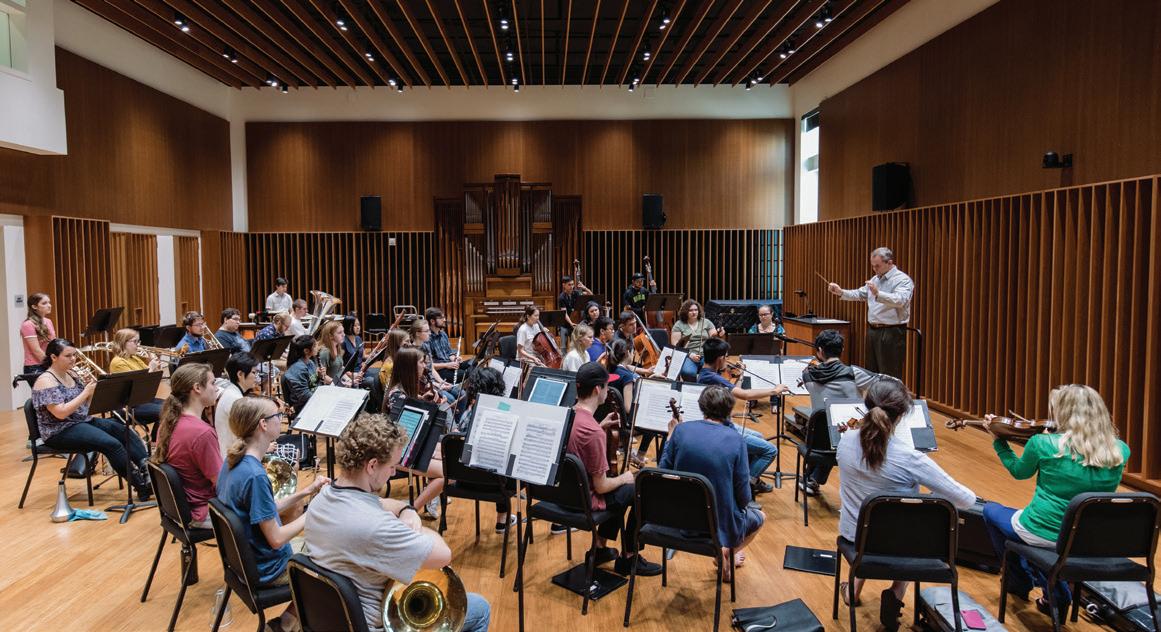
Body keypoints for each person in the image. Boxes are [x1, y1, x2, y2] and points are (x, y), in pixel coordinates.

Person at [304, 414, 492, 632]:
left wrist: (407, 509)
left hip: (332, 621)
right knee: (480, 608)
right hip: (372, 625)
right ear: (372, 465)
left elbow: (380, 503)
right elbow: (443, 556)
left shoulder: (321, 499)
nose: (394, 472)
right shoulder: (375, 525)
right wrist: (416, 524)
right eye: (392, 466)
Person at [981, 384, 1129, 621]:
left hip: (1043, 531)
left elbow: (1019, 472)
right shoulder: (1120, 450)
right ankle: (1050, 591)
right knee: (1038, 536)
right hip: (1085, 539)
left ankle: (1019, 582)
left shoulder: (1043, 443)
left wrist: (999, 441)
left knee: (990, 511)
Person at [835, 380, 975, 629]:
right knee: (911, 525)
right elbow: (966, 499)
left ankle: (853, 589)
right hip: (900, 544)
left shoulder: (845, 441)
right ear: (900, 416)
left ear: (867, 407)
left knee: (875, 520)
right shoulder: (910, 458)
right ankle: (896, 592)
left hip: (853, 537)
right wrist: (931, 496)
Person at [217, 396, 330, 632]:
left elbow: (263, 510)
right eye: (277, 416)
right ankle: (287, 624)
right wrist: (314, 511)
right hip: (268, 569)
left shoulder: (232, 462)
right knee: (335, 558)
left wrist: (307, 491)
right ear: (263, 424)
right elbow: (277, 539)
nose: (281, 419)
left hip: (245, 562)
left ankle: (288, 622)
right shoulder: (255, 475)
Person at [566, 362, 662, 576]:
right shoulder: (592, 432)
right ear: (597, 389)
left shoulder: (568, 415)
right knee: (638, 486)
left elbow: (578, 440)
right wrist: (625, 478)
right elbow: (601, 487)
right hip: (586, 500)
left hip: (565, 495)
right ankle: (629, 557)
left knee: (620, 489)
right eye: (607, 386)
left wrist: (599, 427)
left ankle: (599, 548)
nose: (608, 390)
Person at [659, 386, 765, 576]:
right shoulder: (736, 440)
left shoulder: (681, 431)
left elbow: (661, 472)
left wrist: (670, 436)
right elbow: (744, 498)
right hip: (718, 526)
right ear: (730, 409)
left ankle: (724, 557)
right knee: (760, 517)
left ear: (701, 406)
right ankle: (726, 555)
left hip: (680, 519)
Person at [31, 338, 152, 500]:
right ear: (53, 357)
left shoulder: (71, 374)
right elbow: (60, 413)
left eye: (74, 355)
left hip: (81, 421)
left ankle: (148, 473)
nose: (73, 359)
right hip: (59, 431)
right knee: (111, 444)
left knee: (123, 430)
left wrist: (94, 392)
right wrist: (85, 393)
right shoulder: (45, 381)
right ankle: (141, 486)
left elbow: (85, 405)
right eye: (68, 356)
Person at [798, 329, 901, 497]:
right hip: (855, 438)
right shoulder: (853, 373)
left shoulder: (807, 375)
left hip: (818, 442)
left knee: (827, 424)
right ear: (842, 349)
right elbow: (894, 382)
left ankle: (811, 478)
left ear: (820, 351)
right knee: (845, 425)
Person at [697, 338, 789, 495]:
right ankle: (746, 486)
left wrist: (739, 376)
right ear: (720, 358)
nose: (728, 360)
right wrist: (774, 391)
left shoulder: (706, 373)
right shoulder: (712, 377)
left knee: (759, 436)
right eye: (726, 356)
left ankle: (749, 477)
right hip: (722, 428)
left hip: (723, 423)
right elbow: (744, 395)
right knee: (770, 450)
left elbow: (731, 394)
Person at [827, 247, 914, 379]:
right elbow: (860, 294)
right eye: (873, 266)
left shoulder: (902, 280)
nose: (874, 269)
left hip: (891, 332)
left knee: (889, 373)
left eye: (877, 266)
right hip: (873, 330)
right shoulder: (876, 279)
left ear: (889, 263)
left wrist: (878, 293)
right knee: (871, 372)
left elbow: (901, 300)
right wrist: (841, 292)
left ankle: (889, 393)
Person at [152, 364, 221, 528]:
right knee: (273, 508)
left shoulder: (167, 423)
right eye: (212, 383)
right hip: (204, 511)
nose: (216, 388)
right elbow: (222, 484)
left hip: (179, 510)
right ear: (197, 388)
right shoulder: (202, 433)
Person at [383, 346, 447, 518]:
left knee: (450, 455)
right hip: (399, 452)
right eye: (421, 362)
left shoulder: (405, 389)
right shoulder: (397, 395)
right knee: (445, 472)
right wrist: (432, 452)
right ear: (410, 366)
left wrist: (428, 404)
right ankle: (412, 509)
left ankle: (430, 494)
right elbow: (405, 435)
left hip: (411, 445)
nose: (425, 366)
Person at [108, 328, 164, 431]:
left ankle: (157, 438)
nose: (138, 345)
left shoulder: (134, 358)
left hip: (143, 400)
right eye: (135, 341)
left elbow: (153, 381)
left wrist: (154, 364)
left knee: (175, 406)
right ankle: (157, 439)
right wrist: (151, 368)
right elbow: (136, 387)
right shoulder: (118, 362)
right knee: (168, 411)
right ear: (123, 343)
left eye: (139, 341)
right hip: (129, 405)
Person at [214, 352, 260, 457]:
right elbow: (244, 438)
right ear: (240, 374)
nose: (256, 377)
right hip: (233, 458)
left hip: (231, 453)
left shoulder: (232, 392)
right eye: (254, 372)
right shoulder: (235, 399)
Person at [671, 299, 719, 381]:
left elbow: (714, 337)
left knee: (710, 370)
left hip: (706, 354)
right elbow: (676, 345)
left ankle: (703, 385)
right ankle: (693, 386)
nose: (694, 312)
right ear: (685, 312)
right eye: (690, 310)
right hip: (688, 355)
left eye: (696, 310)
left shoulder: (706, 322)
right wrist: (690, 355)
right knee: (688, 372)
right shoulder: (679, 325)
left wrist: (719, 333)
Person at [282, 335, 324, 414]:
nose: (317, 347)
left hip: (312, 402)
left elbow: (313, 384)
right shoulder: (298, 369)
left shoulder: (310, 362)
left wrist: (319, 377)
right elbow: (304, 396)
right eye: (315, 346)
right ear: (306, 351)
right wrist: (322, 399)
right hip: (303, 408)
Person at [425, 307, 465, 384]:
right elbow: (428, 365)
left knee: (472, 363)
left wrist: (454, 358)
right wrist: (447, 365)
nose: (445, 320)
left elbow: (449, 353)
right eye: (441, 318)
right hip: (440, 370)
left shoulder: (443, 334)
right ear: (432, 321)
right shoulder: (427, 339)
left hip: (449, 365)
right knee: (465, 374)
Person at [20, 292, 55, 374]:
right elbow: (36, 350)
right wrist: (52, 365)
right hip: (35, 366)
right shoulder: (28, 324)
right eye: (44, 303)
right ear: (34, 306)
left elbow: (53, 344)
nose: (49, 305)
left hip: (48, 364)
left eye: (49, 302)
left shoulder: (48, 321)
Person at [318, 320, 354, 386]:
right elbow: (323, 377)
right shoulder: (324, 352)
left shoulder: (338, 347)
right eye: (340, 333)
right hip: (330, 388)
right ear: (330, 336)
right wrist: (342, 384)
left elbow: (339, 369)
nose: (344, 335)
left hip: (338, 384)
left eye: (343, 331)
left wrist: (349, 380)